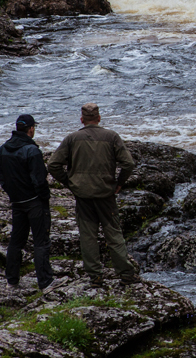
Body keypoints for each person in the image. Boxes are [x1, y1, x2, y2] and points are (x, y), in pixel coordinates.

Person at [47, 103, 142, 286]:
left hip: (83, 196)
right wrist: (119, 183)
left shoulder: (72, 138)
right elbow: (128, 164)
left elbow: (53, 165)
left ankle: (95, 276)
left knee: (88, 236)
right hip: (106, 194)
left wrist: (69, 182)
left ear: (82, 120)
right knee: (114, 235)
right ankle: (126, 274)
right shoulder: (111, 136)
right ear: (99, 118)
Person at [0, 114, 56, 290]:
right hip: (34, 202)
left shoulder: (3, 149)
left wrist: (13, 195)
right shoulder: (32, 150)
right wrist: (44, 198)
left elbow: (3, 178)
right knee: (41, 242)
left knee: (16, 241)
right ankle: (45, 282)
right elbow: (39, 180)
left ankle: (12, 280)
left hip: (17, 201)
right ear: (31, 129)